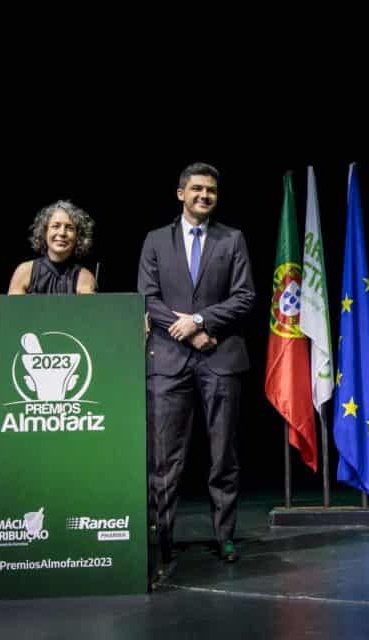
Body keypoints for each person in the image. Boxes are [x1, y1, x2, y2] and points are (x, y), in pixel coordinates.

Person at [137, 163, 256, 566]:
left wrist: (202, 320)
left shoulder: (232, 239)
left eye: (211, 191)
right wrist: (188, 331)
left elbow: (245, 296)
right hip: (168, 360)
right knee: (164, 457)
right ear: (181, 194)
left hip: (220, 357)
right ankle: (162, 540)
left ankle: (225, 536)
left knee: (223, 455)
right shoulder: (156, 240)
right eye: (197, 189)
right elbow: (147, 297)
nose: (205, 196)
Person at [8, 200, 98, 294]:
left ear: (78, 236)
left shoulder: (85, 278)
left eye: (69, 228)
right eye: (56, 226)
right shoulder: (25, 271)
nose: (62, 233)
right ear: (45, 231)